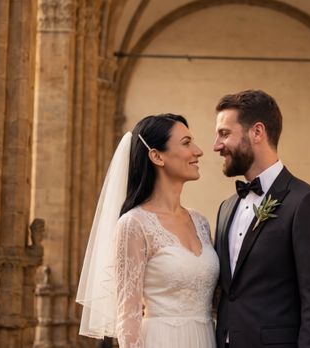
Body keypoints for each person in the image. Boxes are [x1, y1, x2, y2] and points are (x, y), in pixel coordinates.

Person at [77, 113, 217, 348]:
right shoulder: (134, 224)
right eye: (186, 143)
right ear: (156, 156)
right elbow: (127, 319)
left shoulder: (201, 222)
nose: (198, 151)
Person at [213, 90, 310, 347]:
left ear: (257, 132)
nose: (216, 145)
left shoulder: (306, 203)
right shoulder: (225, 208)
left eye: (225, 134)